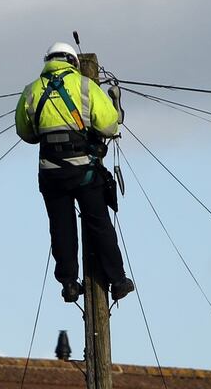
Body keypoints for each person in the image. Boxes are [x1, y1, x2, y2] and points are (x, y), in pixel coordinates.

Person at [15, 42, 134, 303]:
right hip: (84, 171)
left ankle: (69, 283)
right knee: (98, 222)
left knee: (61, 227)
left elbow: (25, 132)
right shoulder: (84, 86)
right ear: (74, 62)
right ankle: (117, 279)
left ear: (48, 61)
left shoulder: (32, 91)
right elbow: (108, 124)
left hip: (51, 173)